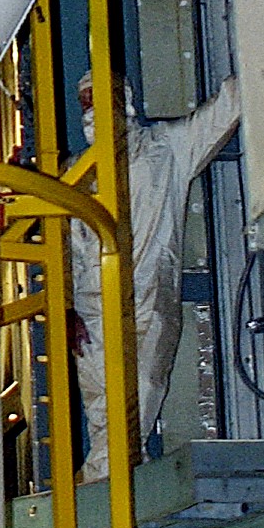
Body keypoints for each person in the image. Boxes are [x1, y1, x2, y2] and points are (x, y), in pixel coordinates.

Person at [71, 70, 240, 476]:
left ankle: (100, 489)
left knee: (140, 392)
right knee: (103, 409)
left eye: (102, 98)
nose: (94, 110)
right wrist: (63, 307)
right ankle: (120, 483)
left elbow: (224, 111)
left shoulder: (167, 149)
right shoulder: (75, 174)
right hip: (90, 309)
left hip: (147, 299)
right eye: (86, 102)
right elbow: (66, 250)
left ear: (125, 102)